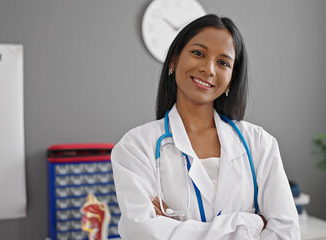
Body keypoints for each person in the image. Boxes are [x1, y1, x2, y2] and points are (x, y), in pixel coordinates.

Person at [111, 14, 300, 239]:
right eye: (198, 53)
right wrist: (249, 224)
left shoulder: (260, 143)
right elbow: (140, 232)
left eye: (223, 63)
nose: (209, 69)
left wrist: (172, 230)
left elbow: (285, 233)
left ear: (231, 77)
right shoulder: (136, 147)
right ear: (173, 60)